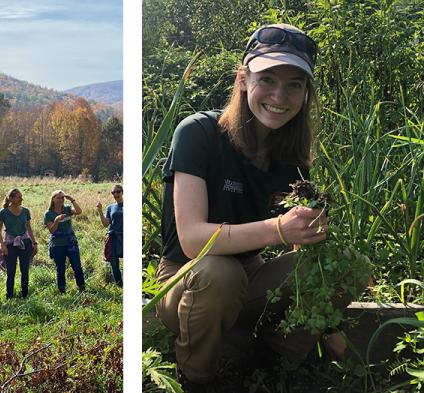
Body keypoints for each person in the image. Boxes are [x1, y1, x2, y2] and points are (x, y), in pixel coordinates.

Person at [155, 24, 357, 391]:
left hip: (251, 280)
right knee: (219, 273)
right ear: (243, 79)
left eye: (295, 84)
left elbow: (305, 256)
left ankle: (271, 360)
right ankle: (197, 378)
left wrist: (329, 321)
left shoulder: (291, 160)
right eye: (268, 79)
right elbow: (191, 241)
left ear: (305, 94)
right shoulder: (198, 133)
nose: (280, 95)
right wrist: (279, 228)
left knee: (348, 264)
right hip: (185, 280)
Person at [0, 188, 38, 299]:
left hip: (25, 243)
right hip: (10, 244)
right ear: (11, 198)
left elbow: (29, 228)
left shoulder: (25, 211)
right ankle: (9, 296)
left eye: (21, 196)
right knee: (11, 272)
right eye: (19, 197)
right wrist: (3, 245)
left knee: (25, 270)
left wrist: (34, 243)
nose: (21, 199)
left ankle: (25, 295)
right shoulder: (3, 212)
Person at [44, 190, 85, 293]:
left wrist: (72, 200)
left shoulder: (67, 209)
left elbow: (79, 211)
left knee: (77, 266)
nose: (61, 200)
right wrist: (57, 220)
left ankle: (82, 288)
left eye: (62, 197)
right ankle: (62, 290)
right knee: (60, 268)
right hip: (58, 245)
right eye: (58, 198)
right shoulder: (48, 214)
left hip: (71, 243)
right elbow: (52, 230)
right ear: (53, 199)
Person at [96, 184, 123, 287]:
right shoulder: (110, 207)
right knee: (114, 262)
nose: (115, 194)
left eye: (118, 191)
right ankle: (119, 284)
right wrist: (100, 211)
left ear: (122, 192)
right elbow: (106, 224)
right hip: (114, 237)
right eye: (113, 192)